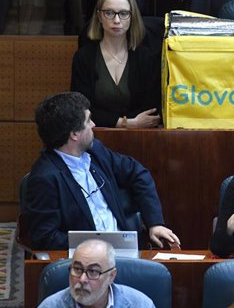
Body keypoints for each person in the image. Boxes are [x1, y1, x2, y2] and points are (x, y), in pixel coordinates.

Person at [25, 92, 180, 250]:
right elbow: (44, 237)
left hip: (126, 253)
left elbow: (138, 173)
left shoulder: (96, 152)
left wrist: (155, 223)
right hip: (85, 264)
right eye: (88, 120)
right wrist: (96, 247)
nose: (93, 125)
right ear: (74, 134)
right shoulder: (44, 178)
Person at [27, 239, 171, 308]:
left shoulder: (141, 307)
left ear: (111, 276)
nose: (82, 279)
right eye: (77, 269)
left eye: (93, 272)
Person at [71, 0, 161, 128]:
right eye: (109, 13)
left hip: (141, 137)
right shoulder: (84, 57)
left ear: (132, 17)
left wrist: (130, 124)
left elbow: (151, 111)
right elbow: (80, 108)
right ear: (99, 16)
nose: (117, 20)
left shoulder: (146, 58)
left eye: (124, 13)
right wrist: (127, 123)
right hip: (95, 137)